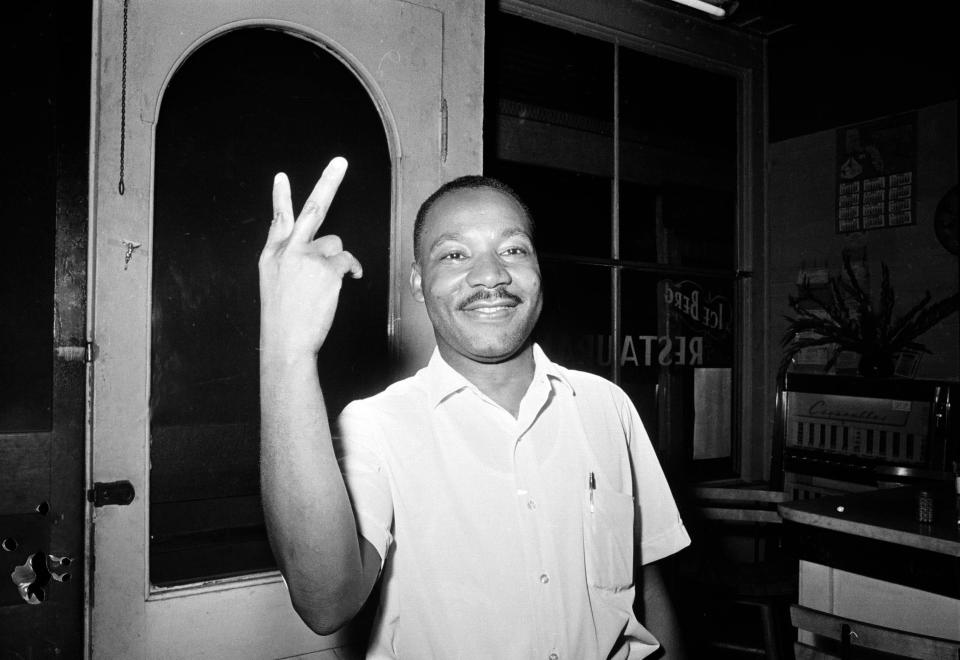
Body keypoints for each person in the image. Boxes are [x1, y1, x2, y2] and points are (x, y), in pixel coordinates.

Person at [259, 156, 691, 659]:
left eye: (512, 249)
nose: (491, 275)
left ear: (537, 269)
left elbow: (650, 587)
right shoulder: (374, 426)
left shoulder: (607, 405)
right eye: (455, 255)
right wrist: (289, 350)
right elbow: (325, 603)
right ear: (419, 283)